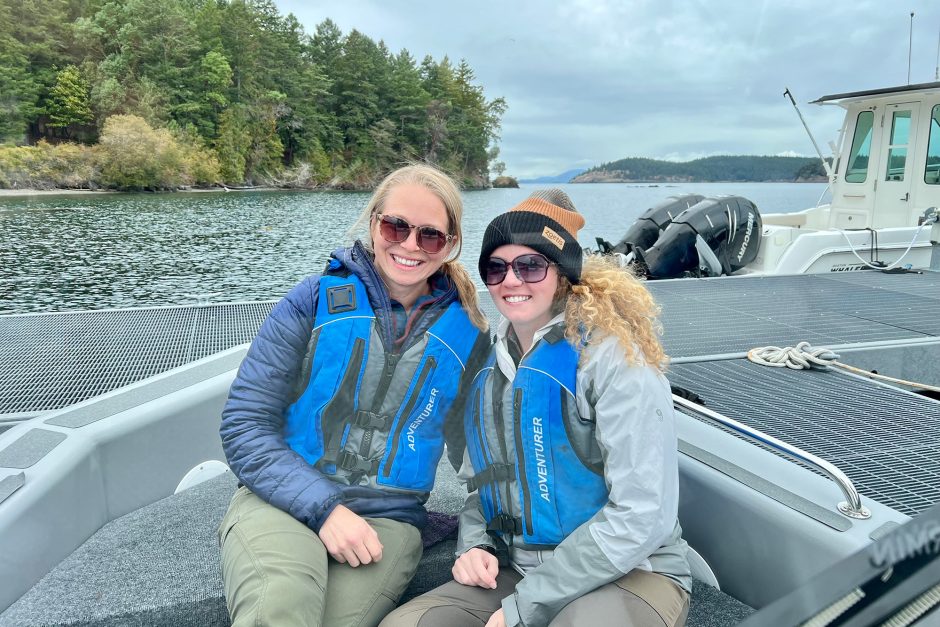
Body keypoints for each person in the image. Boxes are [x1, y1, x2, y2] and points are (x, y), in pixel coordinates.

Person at [382, 189, 692, 627]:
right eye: (496, 267)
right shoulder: (487, 365)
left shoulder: (615, 360)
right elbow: (482, 488)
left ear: (562, 272)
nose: (511, 280)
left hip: (632, 571)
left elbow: (643, 516)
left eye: (530, 265)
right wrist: (476, 545)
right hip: (521, 566)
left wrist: (523, 609)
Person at [217, 163, 491, 627]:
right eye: (396, 226)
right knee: (279, 607)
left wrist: (482, 539)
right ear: (373, 223)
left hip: (389, 519)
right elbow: (245, 423)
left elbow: (484, 456)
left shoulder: (469, 335)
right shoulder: (311, 300)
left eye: (429, 236)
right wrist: (324, 509)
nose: (408, 245)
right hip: (282, 499)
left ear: (450, 245)